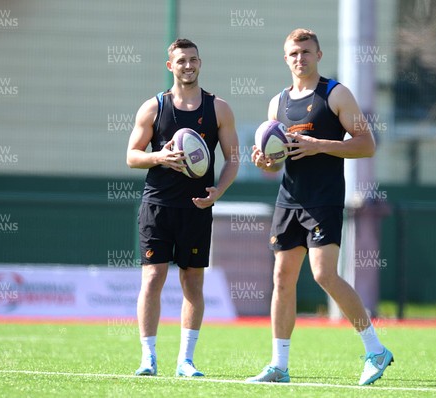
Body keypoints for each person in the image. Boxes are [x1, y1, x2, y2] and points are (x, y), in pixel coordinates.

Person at [247, 28, 393, 386]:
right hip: (288, 198)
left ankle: (375, 350)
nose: (301, 59)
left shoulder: (335, 93)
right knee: (281, 278)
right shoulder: (277, 103)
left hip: (324, 198)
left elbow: (366, 145)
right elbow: (276, 165)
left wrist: (319, 145)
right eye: (294, 54)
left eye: (307, 52)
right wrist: (265, 162)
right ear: (286, 59)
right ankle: (279, 365)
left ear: (319, 54)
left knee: (323, 274)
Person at [127, 38, 238, 377]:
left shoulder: (218, 108)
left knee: (192, 282)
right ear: (170, 66)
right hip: (158, 205)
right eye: (181, 61)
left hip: (196, 208)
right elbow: (132, 156)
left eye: (193, 60)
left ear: (200, 63)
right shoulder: (153, 107)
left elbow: (233, 160)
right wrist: (160, 156)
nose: (187, 66)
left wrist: (217, 191)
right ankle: (148, 357)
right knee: (153, 277)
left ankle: (185, 361)